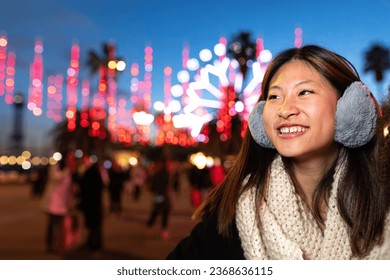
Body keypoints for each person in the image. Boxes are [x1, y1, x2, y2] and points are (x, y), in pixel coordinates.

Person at [167, 45, 390, 260]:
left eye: (304, 92)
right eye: (274, 97)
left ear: (350, 107)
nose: (285, 110)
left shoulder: (383, 200)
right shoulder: (231, 216)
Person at [41, 152, 77, 253]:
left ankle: (61, 244)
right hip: (54, 202)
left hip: (64, 203)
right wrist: (67, 170)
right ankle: (50, 245)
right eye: (69, 158)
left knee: (63, 226)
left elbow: (71, 188)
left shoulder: (72, 172)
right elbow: (56, 177)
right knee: (52, 225)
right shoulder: (56, 168)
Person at [78, 154, 109, 252]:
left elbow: (87, 187)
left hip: (92, 203)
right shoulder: (94, 171)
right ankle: (94, 243)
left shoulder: (91, 171)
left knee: (93, 225)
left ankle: (93, 244)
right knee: (94, 225)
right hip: (94, 203)